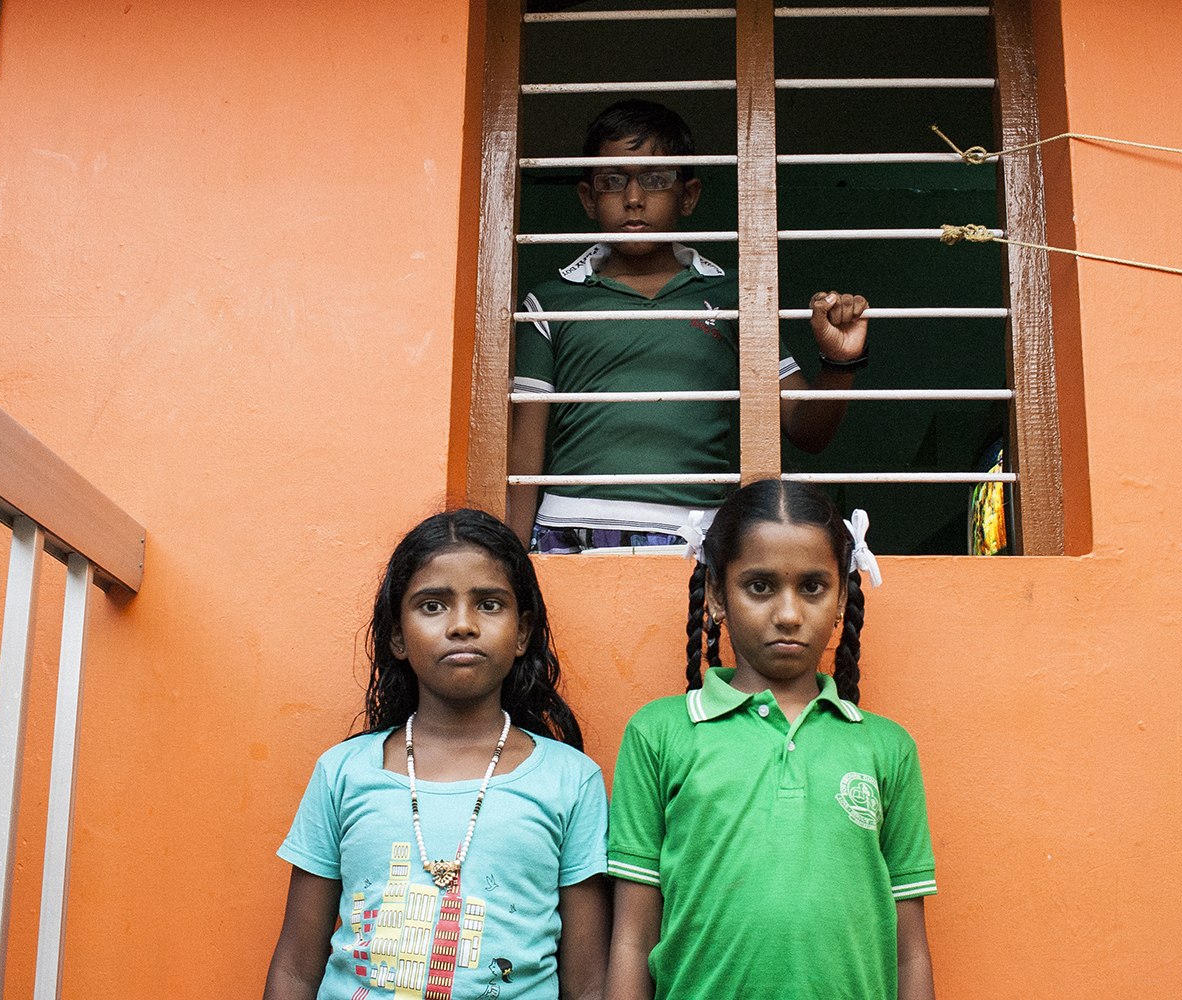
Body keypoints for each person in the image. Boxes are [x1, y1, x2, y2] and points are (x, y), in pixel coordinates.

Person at [605, 480, 938, 1000]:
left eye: (813, 587)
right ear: (717, 595)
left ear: (842, 597)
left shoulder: (886, 747)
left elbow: (910, 951)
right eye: (760, 586)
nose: (788, 614)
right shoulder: (659, 734)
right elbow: (632, 938)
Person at [264, 510, 611, 1000]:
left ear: (522, 633)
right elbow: (296, 970)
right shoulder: (342, 772)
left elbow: (588, 983)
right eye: (432, 606)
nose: (462, 625)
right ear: (397, 636)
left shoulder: (570, 780)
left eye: (489, 604)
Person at [508, 100, 872, 553]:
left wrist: (839, 363)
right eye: (613, 181)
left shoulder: (734, 296)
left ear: (689, 195)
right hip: (569, 530)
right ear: (588, 197)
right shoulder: (549, 303)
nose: (634, 197)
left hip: (692, 537)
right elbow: (523, 451)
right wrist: (512, 560)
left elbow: (805, 431)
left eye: (656, 179)